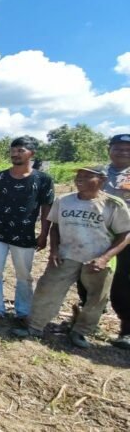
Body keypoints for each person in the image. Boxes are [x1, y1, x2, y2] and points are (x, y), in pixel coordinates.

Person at [13, 167, 130, 348]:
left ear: (102, 180)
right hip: (66, 255)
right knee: (47, 289)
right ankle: (34, 327)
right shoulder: (64, 201)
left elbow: (125, 235)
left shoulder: (113, 204)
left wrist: (104, 258)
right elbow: (55, 227)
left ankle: (81, 332)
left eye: (86, 176)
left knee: (96, 298)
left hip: (97, 259)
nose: (79, 179)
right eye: (78, 176)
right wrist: (54, 251)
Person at [0, 137, 54, 322]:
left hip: (24, 235)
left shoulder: (43, 180)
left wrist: (44, 234)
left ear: (32, 153)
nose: (15, 154)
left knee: (24, 275)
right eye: (13, 151)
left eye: (20, 150)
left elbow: (47, 208)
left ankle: (22, 311)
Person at [103, 134, 130, 349]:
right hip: (98, 234)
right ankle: (88, 318)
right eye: (118, 148)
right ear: (110, 150)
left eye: (127, 148)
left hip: (127, 237)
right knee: (89, 276)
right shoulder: (99, 172)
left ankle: (126, 330)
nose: (122, 151)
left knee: (124, 282)